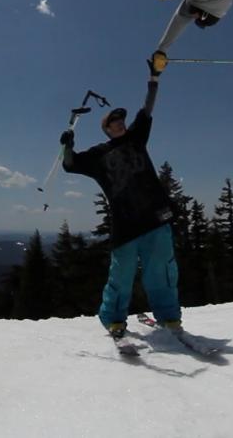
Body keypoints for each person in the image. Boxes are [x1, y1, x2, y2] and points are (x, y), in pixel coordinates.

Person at [60, 55, 182, 338]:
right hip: (125, 225)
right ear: (106, 128)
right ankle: (114, 319)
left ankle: (170, 318)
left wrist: (154, 78)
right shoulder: (98, 155)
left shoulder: (137, 138)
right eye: (114, 121)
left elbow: (147, 110)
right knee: (121, 276)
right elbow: (69, 165)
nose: (120, 123)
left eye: (121, 120)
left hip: (155, 217)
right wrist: (69, 144)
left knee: (162, 273)